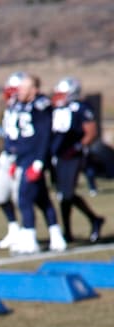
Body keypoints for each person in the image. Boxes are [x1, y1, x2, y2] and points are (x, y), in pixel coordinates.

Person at [9, 74, 65, 254]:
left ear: (34, 90)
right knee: (42, 200)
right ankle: (57, 237)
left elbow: (44, 136)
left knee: (24, 197)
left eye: (24, 88)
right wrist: (14, 159)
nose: (19, 92)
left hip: (34, 158)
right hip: (24, 157)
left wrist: (39, 162)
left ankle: (29, 237)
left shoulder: (41, 105)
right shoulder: (21, 105)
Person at [50, 77, 104, 244]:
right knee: (64, 195)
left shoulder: (80, 108)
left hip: (73, 156)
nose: (58, 96)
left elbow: (91, 131)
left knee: (66, 194)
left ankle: (92, 220)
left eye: (62, 93)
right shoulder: (56, 109)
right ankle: (70, 230)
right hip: (58, 155)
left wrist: (77, 147)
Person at [0, 72, 26, 250]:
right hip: (6, 156)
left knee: (21, 197)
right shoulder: (9, 109)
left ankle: (25, 231)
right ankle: (13, 228)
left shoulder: (31, 108)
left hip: (22, 157)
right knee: (0, 196)